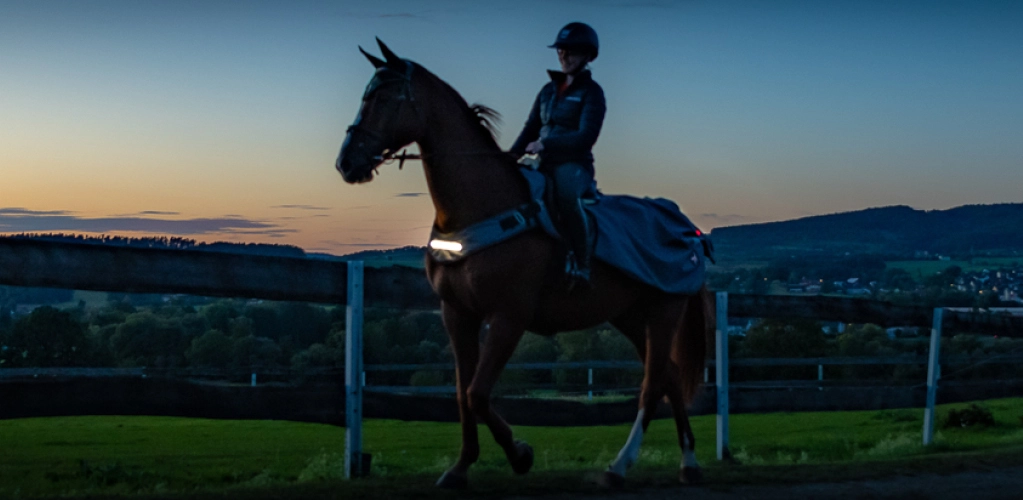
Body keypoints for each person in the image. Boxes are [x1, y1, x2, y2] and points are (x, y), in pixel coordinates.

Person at [510, 22, 606, 289]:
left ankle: (583, 264)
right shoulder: (547, 91)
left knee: (565, 195)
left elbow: (586, 136)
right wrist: (508, 156)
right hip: (541, 163)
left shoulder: (592, 93)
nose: (564, 56)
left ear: (588, 56)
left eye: (572, 52)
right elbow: (530, 128)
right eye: (561, 51)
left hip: (574, 165)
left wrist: (547, 144)